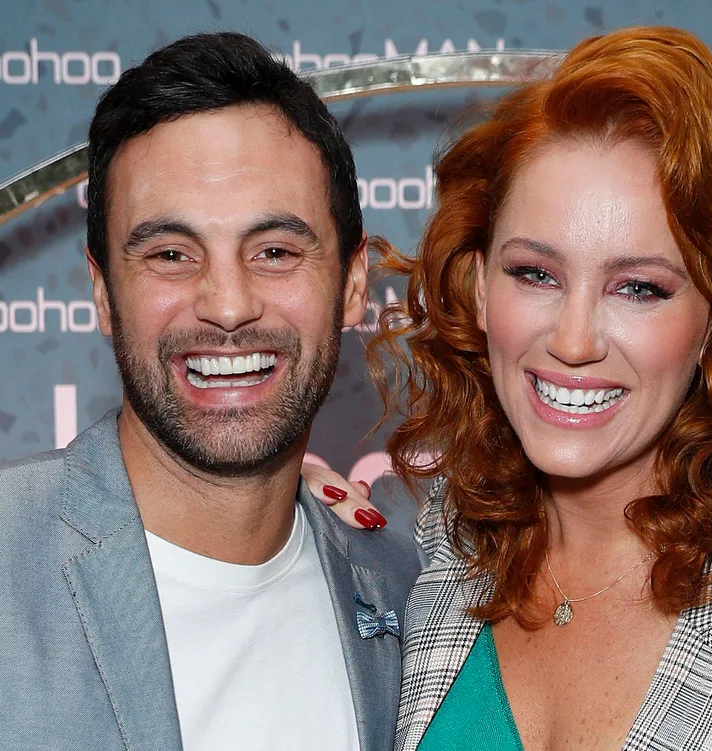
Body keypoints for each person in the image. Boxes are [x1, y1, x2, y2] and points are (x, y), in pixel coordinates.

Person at [312, 25, 712, 749]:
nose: (574, 340)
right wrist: (288, 524)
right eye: (536, 273)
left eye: (640, 288)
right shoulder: (449, 549)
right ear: (479, 286)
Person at [0, 32, 422, 751]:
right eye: (171, 254)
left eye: (275, 252)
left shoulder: (403, 586)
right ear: (102, 292)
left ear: (352, 286)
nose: (227, 305)